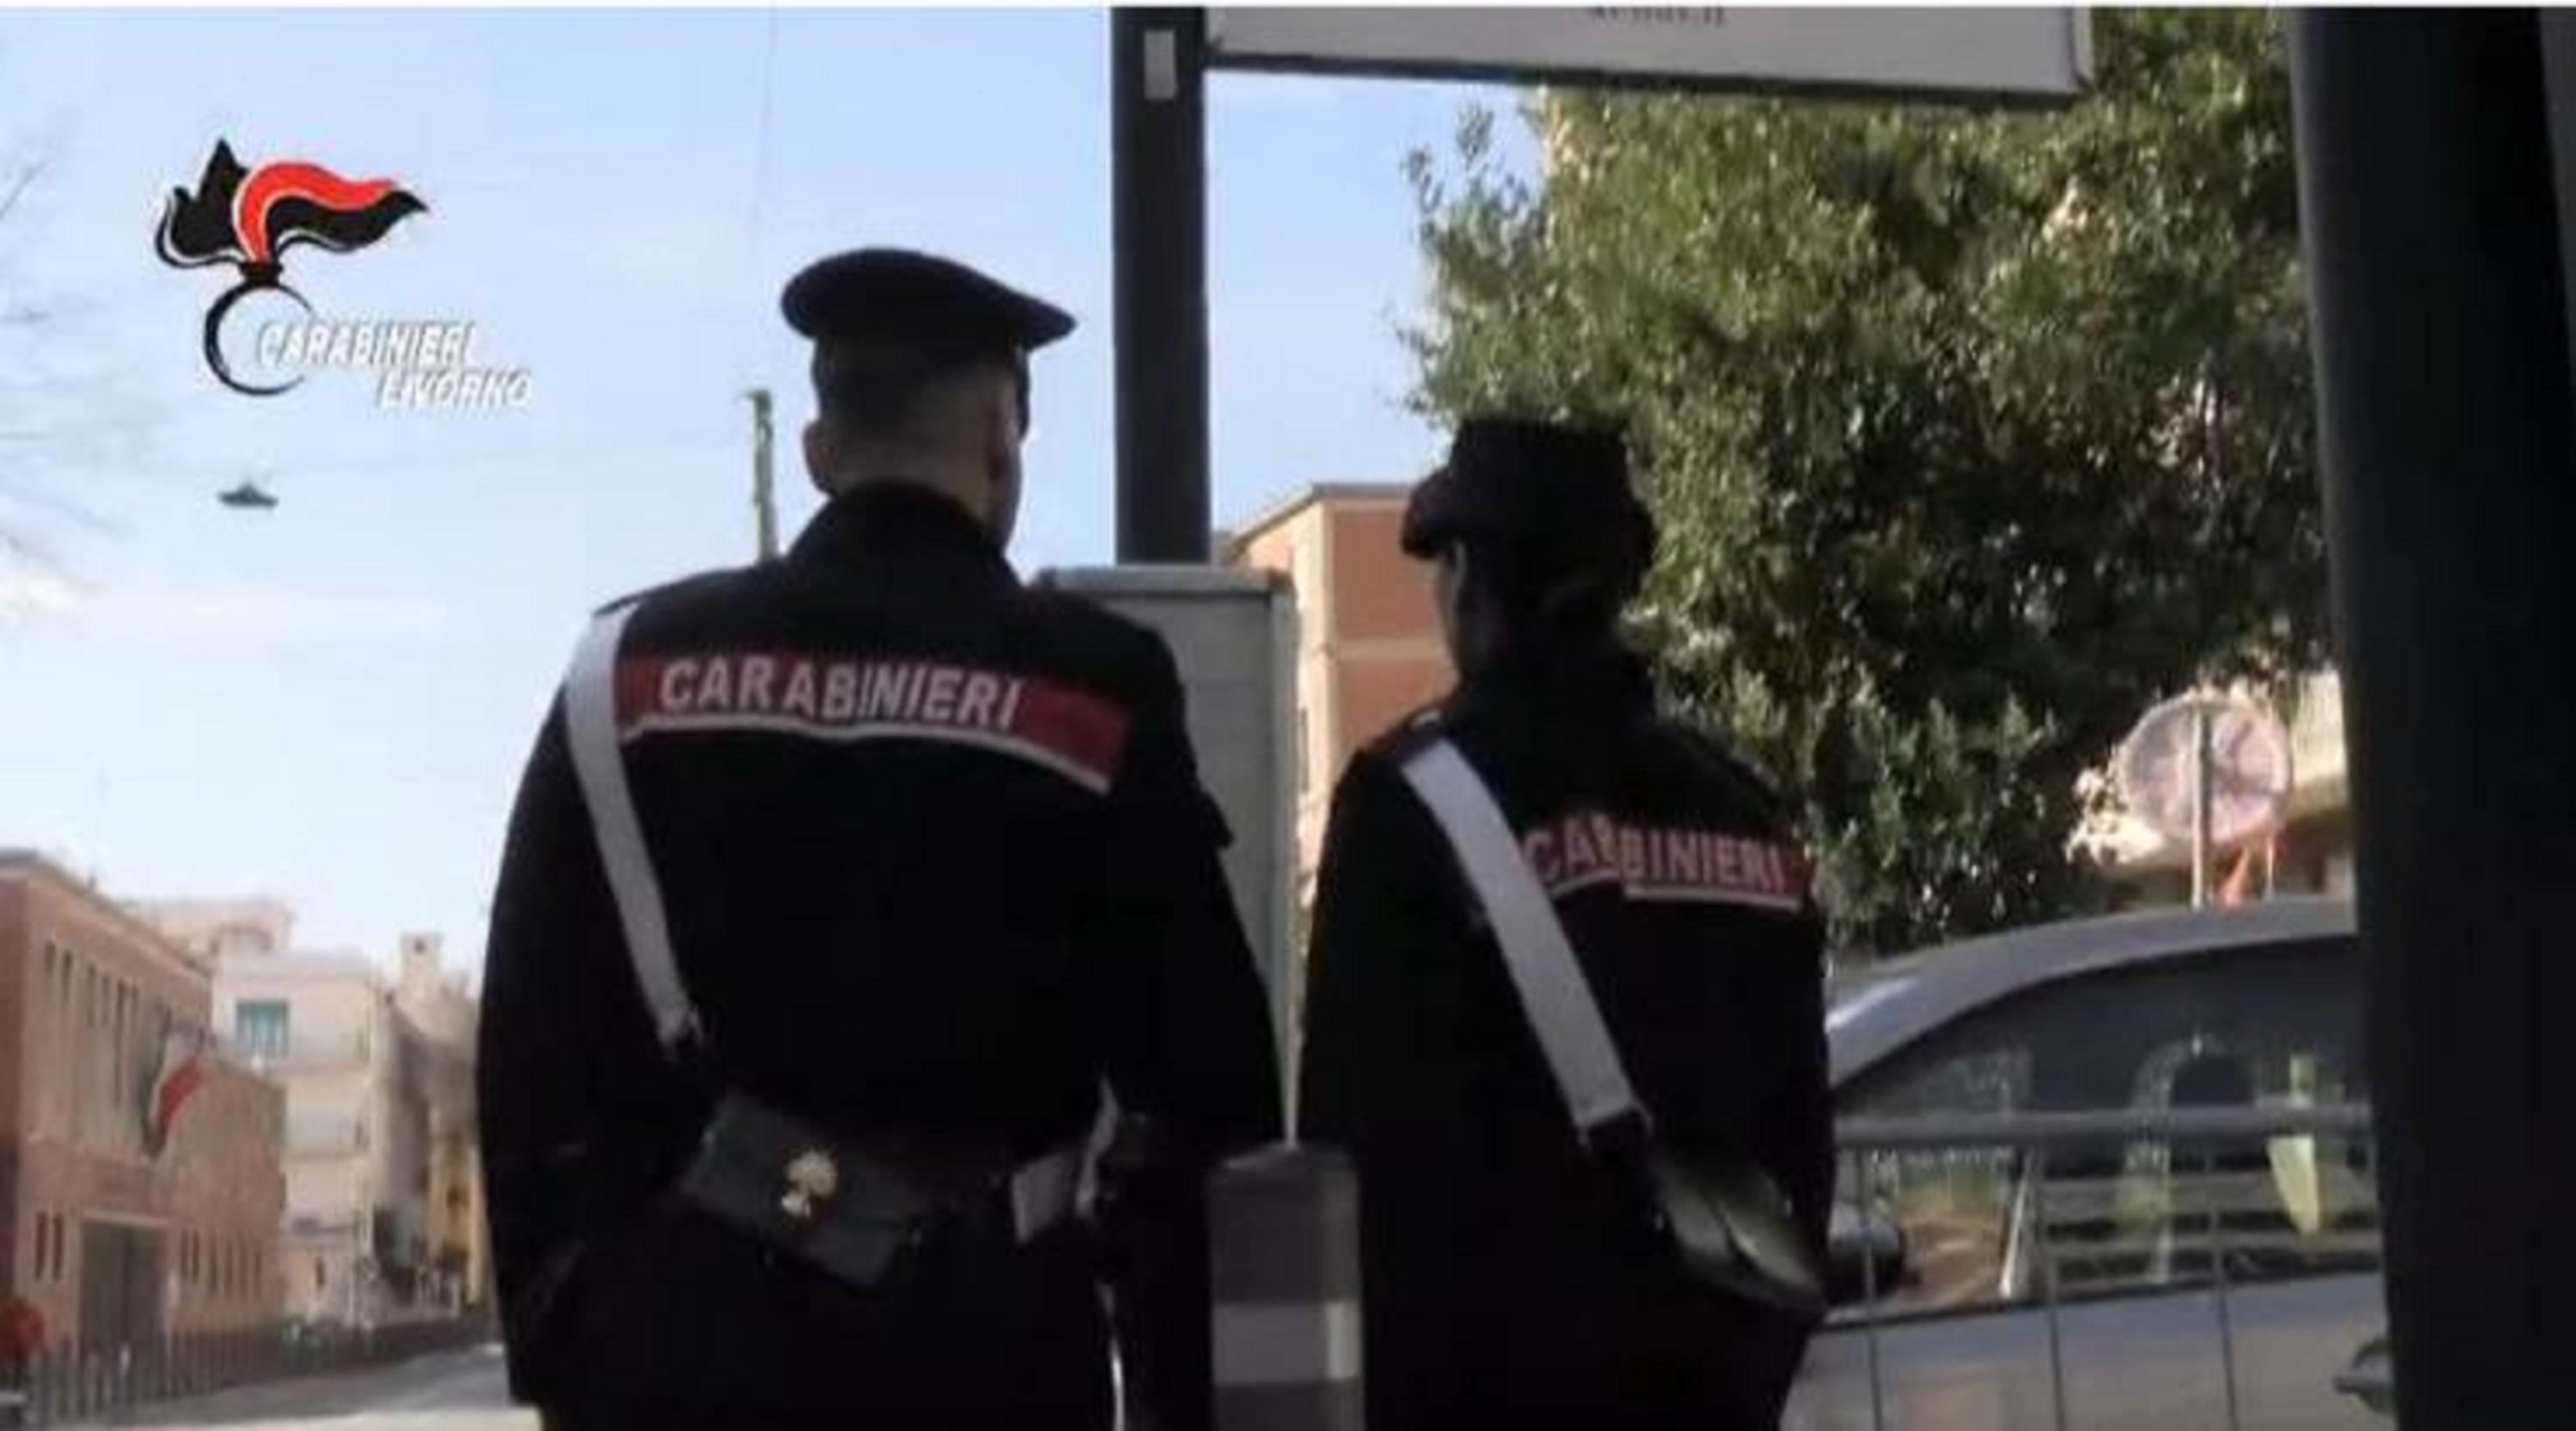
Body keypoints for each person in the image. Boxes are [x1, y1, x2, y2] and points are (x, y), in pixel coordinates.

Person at [478, 247, 1281, 1431]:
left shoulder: (624, 677)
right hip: (995, 1360)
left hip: (690, 1360)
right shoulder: (1093, 691)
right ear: (1004, 443)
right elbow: (1210, 1087)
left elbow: (531, 1059)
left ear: (818, 450)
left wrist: (579, 1353)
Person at [1297, 417, 1833, 1430]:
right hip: (1716, 1386)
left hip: (1486, 1386)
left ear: (1465, 578)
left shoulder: (1410, 802)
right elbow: (1803, 1145)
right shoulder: (1749, 817)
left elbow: (1354, 1153)